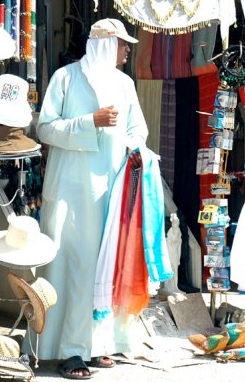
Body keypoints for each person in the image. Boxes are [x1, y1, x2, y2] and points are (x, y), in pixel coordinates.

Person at [31, 19, 147, 379]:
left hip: (110, 193)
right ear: (106, 45)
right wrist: (89, 122)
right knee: (74, 268)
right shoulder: (65, 78)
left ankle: (98, 346)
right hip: (71, 193)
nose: (128, 50)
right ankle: (68, 351)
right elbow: (45, 128)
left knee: (104, 266)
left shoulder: (125, 84)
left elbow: (137, 131)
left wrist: (135, 152)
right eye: (123, 44)